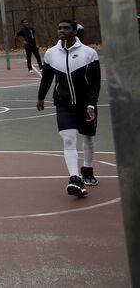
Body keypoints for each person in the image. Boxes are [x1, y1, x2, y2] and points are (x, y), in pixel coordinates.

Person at [36, 20, 101, 197]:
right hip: (63, 103)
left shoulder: (89, 53)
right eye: (59, 28)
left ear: (74, 31)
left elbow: (95, 83)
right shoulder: (51, 53)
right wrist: (41, 97)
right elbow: (47, 78)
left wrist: (91, 103)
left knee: (87, 138)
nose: (61, 31)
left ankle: (87, 169)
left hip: (85, 104)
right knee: (68, 139)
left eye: (66, 28)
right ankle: (75, 178)